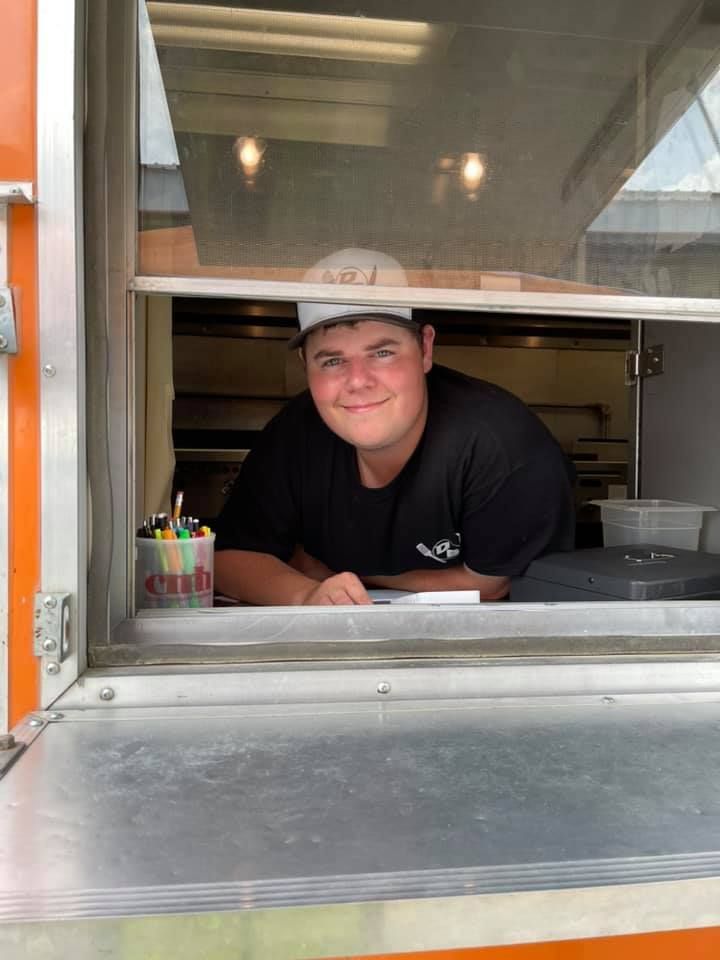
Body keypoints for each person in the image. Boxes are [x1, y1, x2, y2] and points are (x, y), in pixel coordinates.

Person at [215, 248, 575, 605]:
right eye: (333, 360)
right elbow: (228, 559)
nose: (357, 381)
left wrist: (346, 576)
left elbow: (494, 582)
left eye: (382, 353)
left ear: (425, 349)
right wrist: (307, 593)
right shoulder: (295, 433)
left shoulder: (501, 443)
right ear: (304, 363)